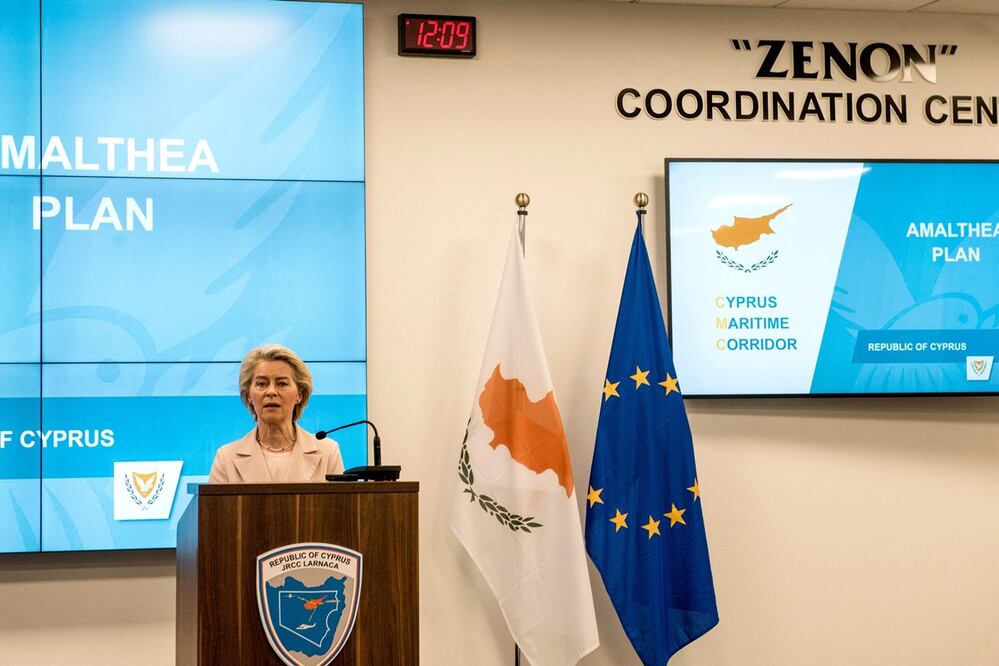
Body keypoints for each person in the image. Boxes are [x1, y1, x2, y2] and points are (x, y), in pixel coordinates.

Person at [209, 344, 344, 483]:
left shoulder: (328, 452)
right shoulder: (226, 458)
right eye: (261, 384)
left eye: (282, 384)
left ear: (300, 395)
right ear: (248, 395)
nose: (271, 392)